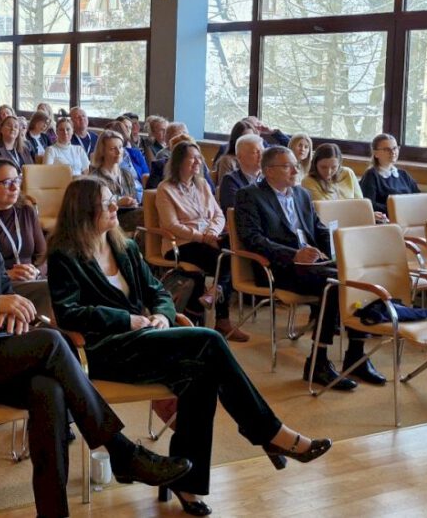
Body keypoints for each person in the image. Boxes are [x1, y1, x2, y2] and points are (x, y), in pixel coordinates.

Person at [0, 163, 193, 518]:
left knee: (48, 390)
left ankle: (54, 513)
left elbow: (3, 299)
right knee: (49, 341)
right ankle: (122, 451)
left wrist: (12, 313)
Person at [48, 176, 331, 515]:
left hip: (147, 339)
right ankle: (268, 432)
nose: (115, 207)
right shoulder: (64, 256)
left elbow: (159, 293)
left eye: (113, 200)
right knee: (209, 339)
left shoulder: (125, 247)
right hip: (104, 349)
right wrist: (128, 320)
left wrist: (163, 317)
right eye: (106, 204)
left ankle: (188, 481)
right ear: (83, 211)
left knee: (202, 375)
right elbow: (69, 312)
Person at [237, 146, 381, 389]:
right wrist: (294, 254)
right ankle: (318, 361)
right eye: (287, 166)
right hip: (278, 267)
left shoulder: (301, 194)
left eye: (296, 165)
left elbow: (319, 228)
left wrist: (342, 245)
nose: (296, 170)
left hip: (314, 263)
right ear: (269, 171)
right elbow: (253, 238)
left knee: (358, 274)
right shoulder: (250, 195)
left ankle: (356, 356)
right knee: (336, 284)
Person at [155, 141, 244, 341]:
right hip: (181, 243)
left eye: (199, 158)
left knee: (233, 253)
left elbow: (219, 215)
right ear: (179, 162)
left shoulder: (202, 184)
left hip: (208, 238)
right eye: (192, 158)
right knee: (225, 259)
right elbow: (171, 225)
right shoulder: (165, 189)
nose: (198, 162)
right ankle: (221, 317)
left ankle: (216, 294)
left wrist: (212, 233)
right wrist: (202, 237)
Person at [0, 158, 46, 281]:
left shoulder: (27, 211)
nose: (15, 187)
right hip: (3, 285)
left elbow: (43, 256)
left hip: (33, 280)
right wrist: (6, 274)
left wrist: (36, 272)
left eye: (17, 180)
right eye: (7, 182)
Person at [89, 131, 142, 232]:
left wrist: (133, 202)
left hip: (130, 214)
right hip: (111, 219)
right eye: (113, 149)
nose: (118, 152)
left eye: (121, 147)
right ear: (102, 152)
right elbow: (96, 208)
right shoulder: (95, 177)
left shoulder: (127, 174)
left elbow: (134, 198)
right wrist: (118, 202)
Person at [359, 133, 419, 215]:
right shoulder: (371, 175)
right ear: (376, 153)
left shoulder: (403, 174)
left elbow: (419, 197)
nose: (393, 152)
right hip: (388, 219)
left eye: (395, 148)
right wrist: (397, 208)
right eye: (387, 149)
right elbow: (369, 204)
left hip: (409, 215)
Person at [218, 133, 265, 212]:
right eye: (255, 152)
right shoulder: (231, 180)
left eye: (262, 151)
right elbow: (235, 210)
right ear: (239, 157)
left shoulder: (267, 177)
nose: (261, 156)